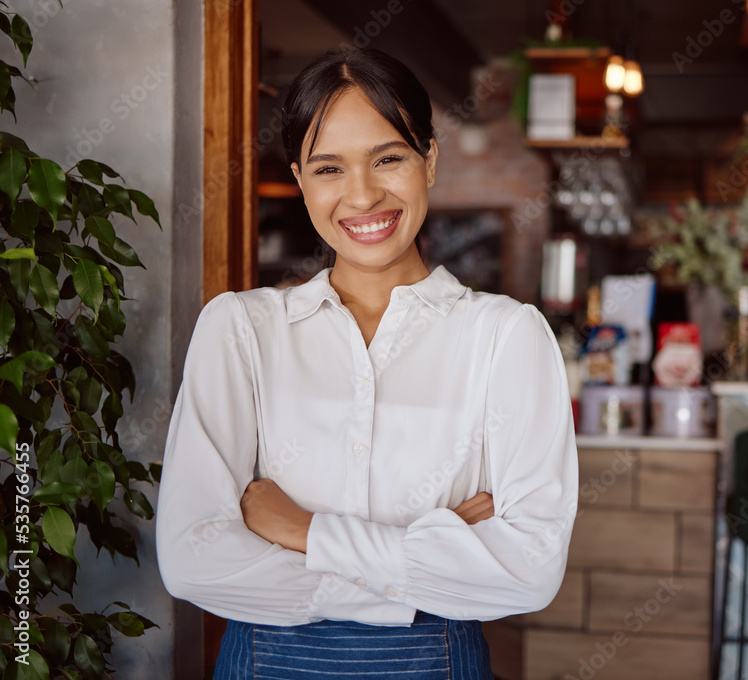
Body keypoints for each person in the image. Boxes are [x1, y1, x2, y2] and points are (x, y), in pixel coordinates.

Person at [155, 47, 578, 679]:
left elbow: (528, 574)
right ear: (299, 180)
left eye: (388, 158)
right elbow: (193, 560)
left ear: (429, 159)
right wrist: (426, 551)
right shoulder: (240, 330)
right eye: (329, 168)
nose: (362, 195)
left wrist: (303, 531)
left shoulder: (507, 337)